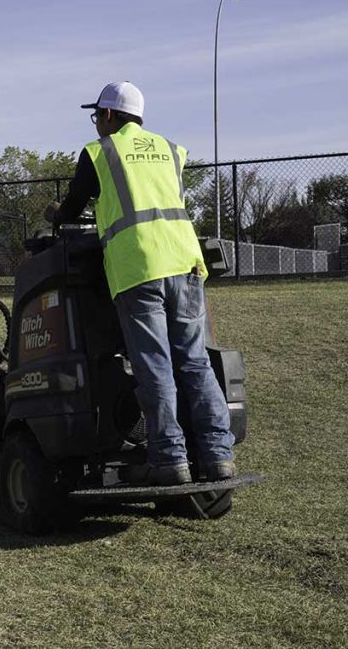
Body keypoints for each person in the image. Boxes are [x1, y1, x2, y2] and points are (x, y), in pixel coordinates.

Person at [48, 81, 235, 486]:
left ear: (111, 115)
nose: (97, 122)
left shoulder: (99, 152)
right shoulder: (171, 150)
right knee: (196, 361)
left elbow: (73, 207)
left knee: (155, 366)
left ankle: (169, 460)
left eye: (98, 115)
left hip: (139, 269)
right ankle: (218, 455)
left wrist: (56, 213)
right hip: (185, 263)